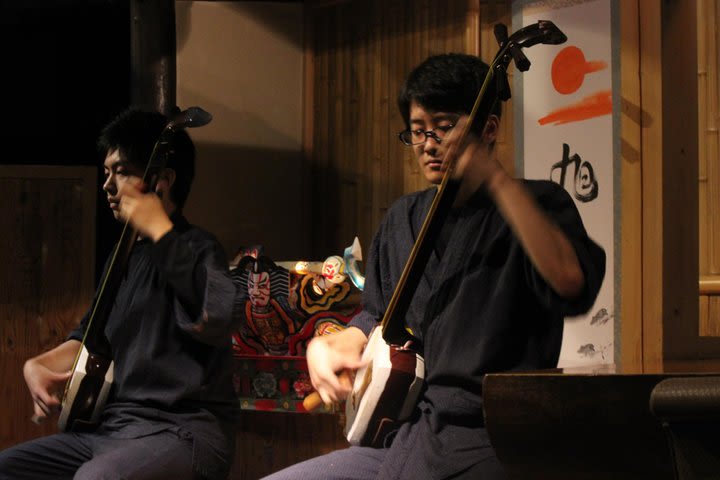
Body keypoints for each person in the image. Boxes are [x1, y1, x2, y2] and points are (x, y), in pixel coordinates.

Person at [262, 53, 606, 479]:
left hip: (492, 441)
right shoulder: (404, 217)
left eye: (443, 128)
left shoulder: (537, 204)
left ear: (488, 129)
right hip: (404, 435)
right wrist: (330, 342)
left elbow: (571, 282)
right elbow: (377, 315)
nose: (428, 143)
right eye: (418, 131)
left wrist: (495, 179)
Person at [0, 107, 238, 480]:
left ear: (162, 180)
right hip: (113, 428)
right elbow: (89, 338)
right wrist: (37, 365)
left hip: (183, 430)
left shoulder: (199, 247)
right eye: (107, 172)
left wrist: (159, 229)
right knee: (9, 468)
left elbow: (218, 315)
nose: (107, 185)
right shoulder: (123, 254)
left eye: (122, 171)